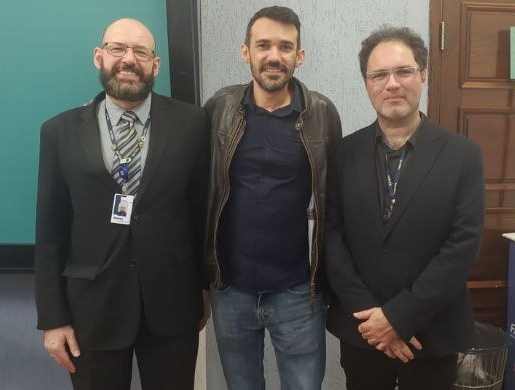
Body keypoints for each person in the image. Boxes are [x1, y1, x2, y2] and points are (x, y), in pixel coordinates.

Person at [34, 18, 209, 390]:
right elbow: (50, 230)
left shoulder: (192, 124)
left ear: (155, 64)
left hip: (172, 308)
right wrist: (53, 319)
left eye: (141, 51)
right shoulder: (58, 132)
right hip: (91, 311)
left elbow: (201, 213)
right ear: (99, 57)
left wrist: (204, 289)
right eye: (117, 49)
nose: (128, 59)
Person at [325, 26, 485, 390]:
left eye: (404, 71)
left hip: (431, 331)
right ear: (367, 83)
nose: (392, 84)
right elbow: (332, 238)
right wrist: (374, 321)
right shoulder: (342, 153)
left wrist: (398, 318)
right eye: (379, 74)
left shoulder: (462, 155)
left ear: (423, 75)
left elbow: (462, 247)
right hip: (363, 329)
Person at [203, 6, 342, 390]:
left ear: (299, 56)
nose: (274, 56)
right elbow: (203, 193)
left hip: (298, 291)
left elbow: (334, 201)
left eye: (285, 47)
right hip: (230, 290)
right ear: (246, 51)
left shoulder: (322, 113)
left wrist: (330, 282)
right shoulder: (219, 109)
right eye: (263, 45)